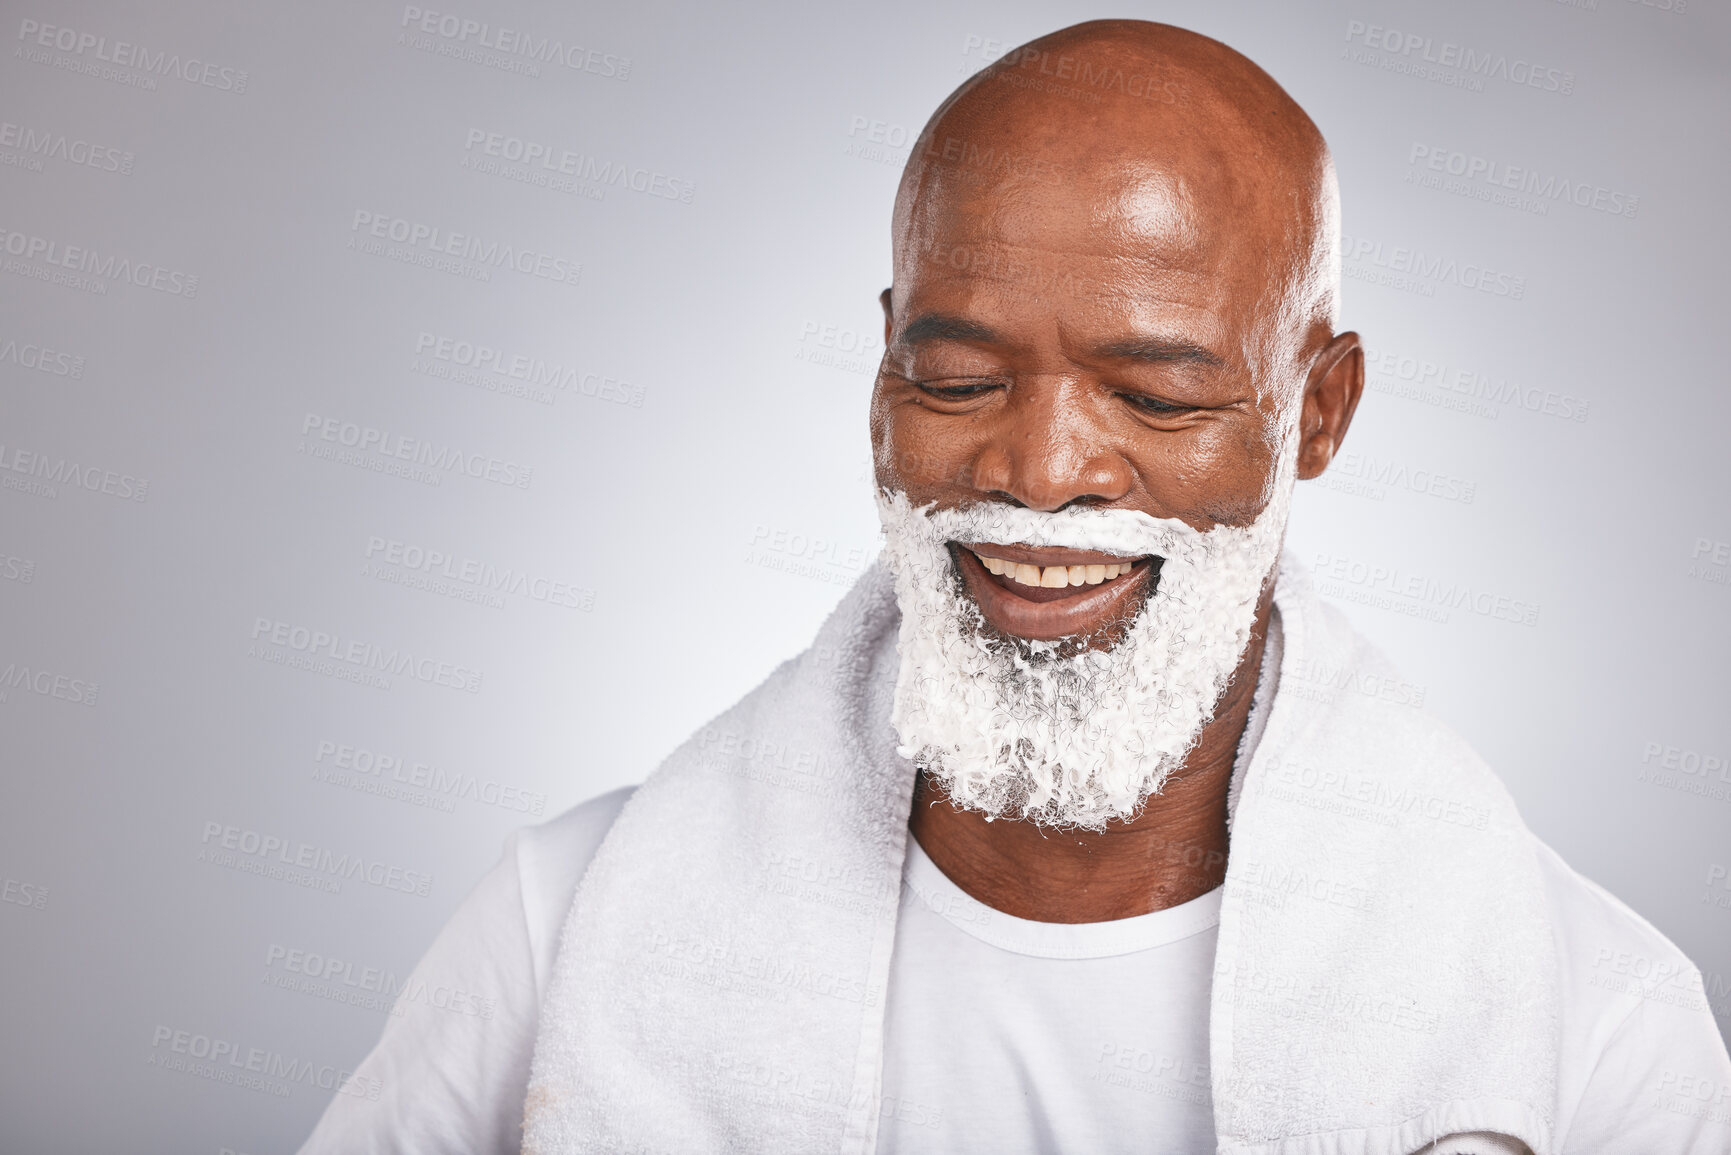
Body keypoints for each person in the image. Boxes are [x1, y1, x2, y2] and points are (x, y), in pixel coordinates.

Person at [300, 19, 1731, 1155]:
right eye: (961, 377)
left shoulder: (1590, 1038)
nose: (1041, 471)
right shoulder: (562, 941)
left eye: (1154, 395)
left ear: (1318, 414)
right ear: (879, 384)